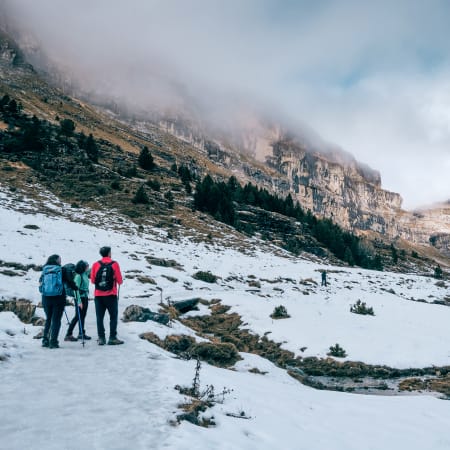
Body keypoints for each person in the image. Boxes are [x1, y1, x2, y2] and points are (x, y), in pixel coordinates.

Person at [41, 254, 78, 349]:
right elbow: (69, 282)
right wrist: (75, 288)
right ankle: (53, 342)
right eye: (60, 260)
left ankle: (45, 340)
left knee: (48, 319)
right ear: (57, 261)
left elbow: (41, 282)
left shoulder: (45, 269)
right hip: (58, 298)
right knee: (56, 320)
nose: (61, 261)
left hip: (46, 298)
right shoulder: (61, 269)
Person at [90, 246, 124, 345]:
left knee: (99, 317)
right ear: (109, 253)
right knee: (113, 316)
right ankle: (112, 337)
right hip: (111, 294)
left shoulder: (95, 264)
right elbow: (120, 281)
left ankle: (101, 338)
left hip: (98, 295)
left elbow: (92, 280)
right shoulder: (114, 264)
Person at [65, 260, 91, 342]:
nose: (88, 267)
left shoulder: (84, 274)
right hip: (80, 298)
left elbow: (90, 270)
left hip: (85, 297)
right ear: (83, 267)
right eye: (86, 266)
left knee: (82, 316)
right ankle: (68, 334)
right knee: (77, 316)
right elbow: (75, 290)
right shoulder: (78, 277)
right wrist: (79, 302)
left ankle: (81, 333)